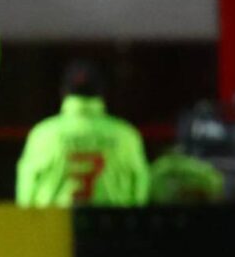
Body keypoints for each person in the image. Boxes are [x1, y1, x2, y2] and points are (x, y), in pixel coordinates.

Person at [16, 61, 149, 207]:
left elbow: (26, 197)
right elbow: (140, 193)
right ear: (102, 94)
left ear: (64, 93)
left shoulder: (42, 135)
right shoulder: (126, 136)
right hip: (111, 227)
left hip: (54, 227)